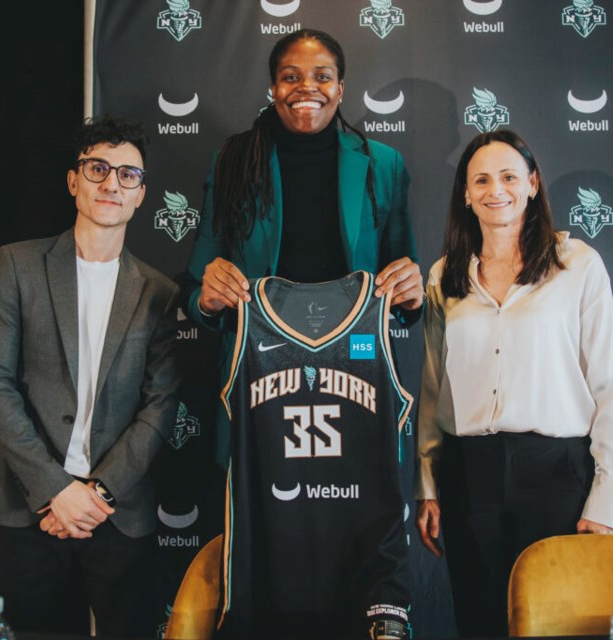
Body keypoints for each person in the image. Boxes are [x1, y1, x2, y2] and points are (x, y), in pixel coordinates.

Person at [176, 29, 422, 639]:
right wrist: (206, 296)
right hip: (263, 391)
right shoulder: (233, 160)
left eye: (320, 76)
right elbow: (195, 283)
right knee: (267, 565)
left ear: (341, 86)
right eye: (290, 76)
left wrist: (412, 296)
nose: (305, 89)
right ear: (271, 86)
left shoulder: (382, 166)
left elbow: (404, 288)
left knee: (357, 562)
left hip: (356, 390)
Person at [0, 115, 180, 637]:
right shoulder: (17, 264)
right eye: (98, 168)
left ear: (141, 195)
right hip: (19, 505)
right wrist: (53, 489)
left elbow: (161, 404)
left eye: (128, 175)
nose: (112, 183)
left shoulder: (159, 292)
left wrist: (98, 492)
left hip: (117, 511)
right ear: (73, 181)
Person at [415, 129, 613, 636]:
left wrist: (607, 497)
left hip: (556, 475)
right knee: (480, 622)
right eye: (482, 180)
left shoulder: (578, 266)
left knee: (556, 622)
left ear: (533, 185)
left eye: (510, 176)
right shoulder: (444, 277)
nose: (498, 189)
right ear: (466, 195)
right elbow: (432, 388)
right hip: (469, 475)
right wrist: (426, 482)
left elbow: (609, 385)